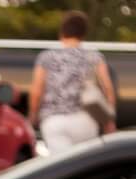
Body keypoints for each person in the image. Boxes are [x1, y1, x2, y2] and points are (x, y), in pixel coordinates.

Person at [26, 11, 116, 155]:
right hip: (86, 122)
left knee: (62, 167)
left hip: (54, 121)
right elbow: (107, 89)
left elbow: (37, 91)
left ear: (62, 32)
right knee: (84, 165)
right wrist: (109, 120)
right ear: (83, 33)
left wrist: (33, 116)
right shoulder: (94, 56)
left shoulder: (46, 57)